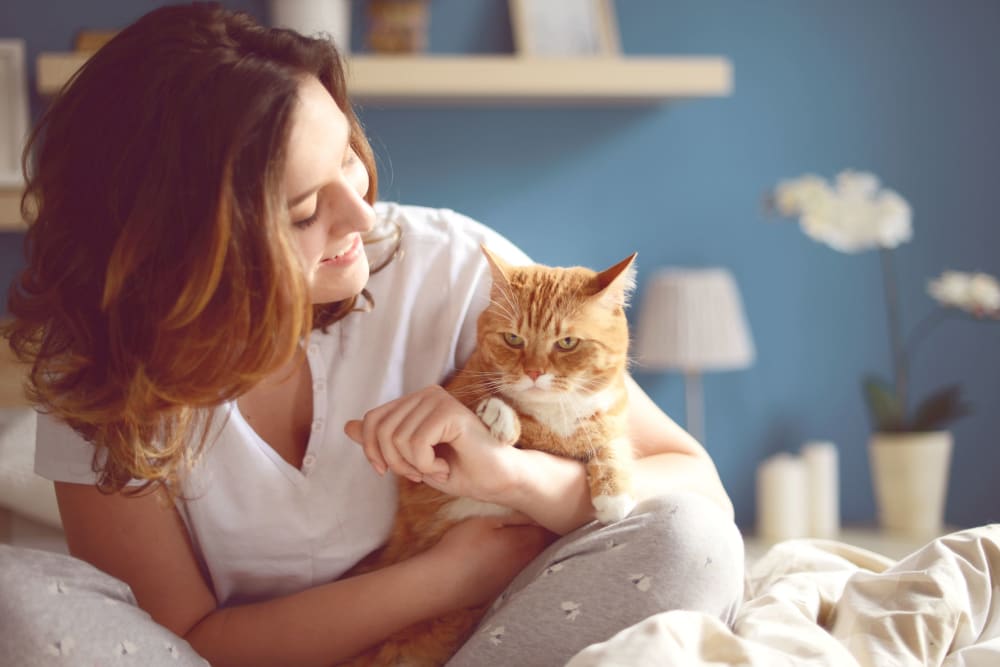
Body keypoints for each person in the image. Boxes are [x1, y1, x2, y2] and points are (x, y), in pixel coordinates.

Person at [1, 4, 744, 666]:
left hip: (472, 644)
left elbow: (693, 481)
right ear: (190, 249)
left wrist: (514, 478)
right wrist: (453, 573)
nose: (361, 216)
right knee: (15, 604)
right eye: (300, 210)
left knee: (692, 541)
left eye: (348, 159)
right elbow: (189, 635)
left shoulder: (453, 267)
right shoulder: (99, 366)